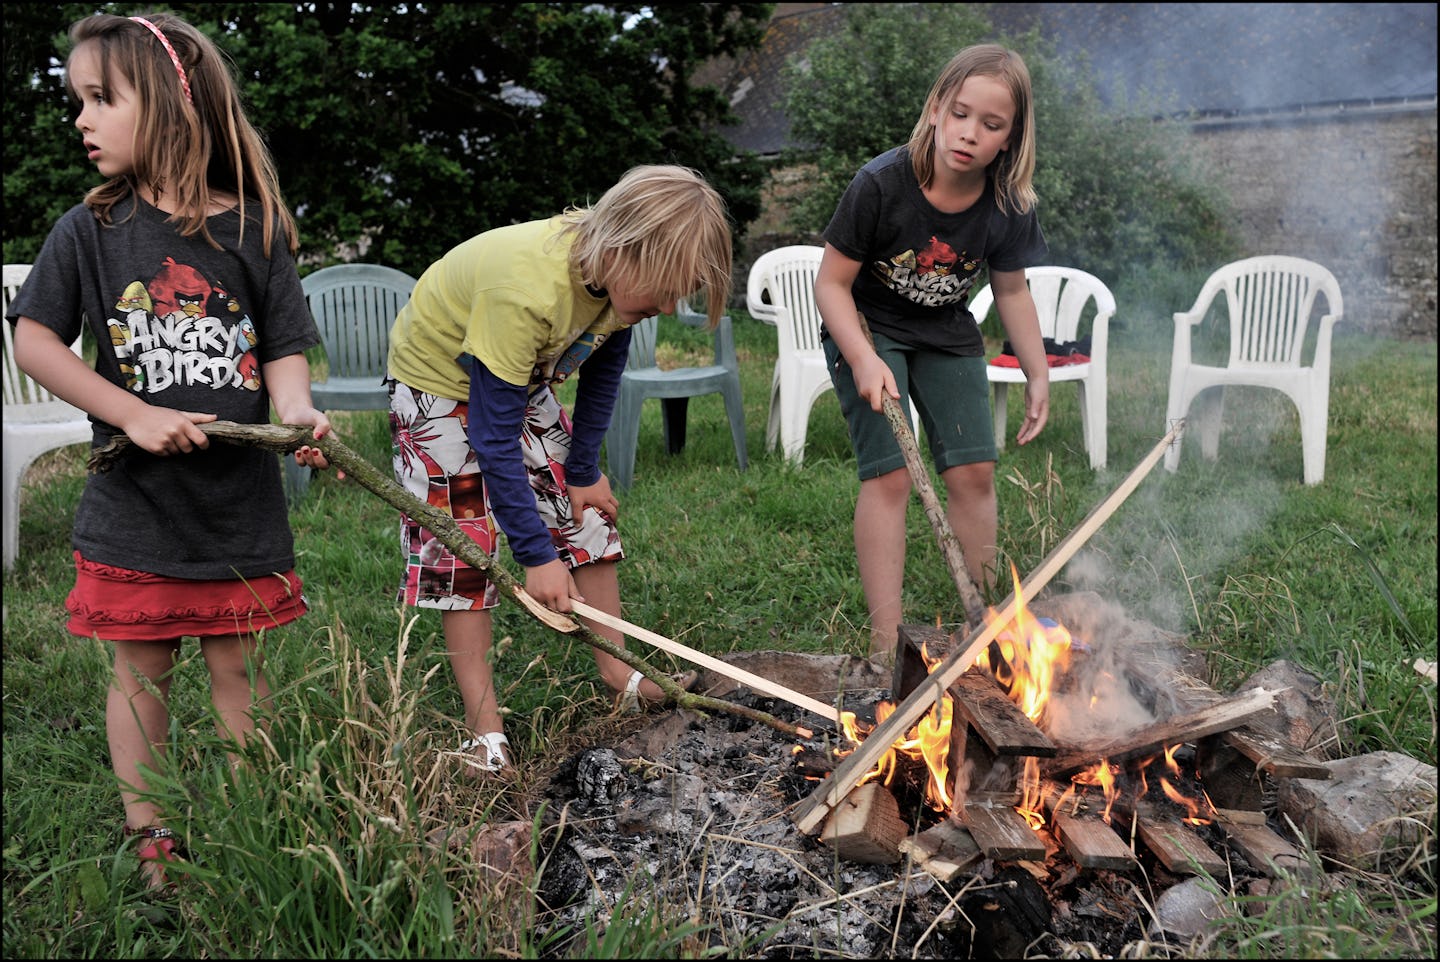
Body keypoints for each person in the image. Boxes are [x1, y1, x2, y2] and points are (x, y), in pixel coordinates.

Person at [6, 11, 334, 891]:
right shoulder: (89, 231)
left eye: (100, 99)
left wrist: (298, 413)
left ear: (167, 104)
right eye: (77, 100)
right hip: (138, 504)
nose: (80, 119)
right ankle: (153, 835)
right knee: (141, 669)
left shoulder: (254, 231)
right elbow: (36, 342)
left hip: (238, 503)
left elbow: (282, 350)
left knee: (239, 666)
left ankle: (246, 823)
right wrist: (132, 412)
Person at [386, 164, 730, 777]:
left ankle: (619, 676)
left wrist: (582, 467)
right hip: (437, 389)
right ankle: (484, 731)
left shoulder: (617, 285)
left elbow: (602, 372)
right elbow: (492, 439)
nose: (669, 305)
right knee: (466, 550)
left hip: (517, 378)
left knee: (587, 516)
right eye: (666, 288)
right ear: (623, 249)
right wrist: (537, 555)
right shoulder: (526, 290)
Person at [814, 43, 1052, 661]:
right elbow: (831, 285)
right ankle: (884, 644)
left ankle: (984, 629)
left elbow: (1012, 291)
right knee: (891, 473)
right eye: (962, 114)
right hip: (869, 327)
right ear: (938, 109)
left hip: (946, 330)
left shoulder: (1007, 204)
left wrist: (1036, 370)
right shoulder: (880, 183)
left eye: (992, 125)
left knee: (973, 471)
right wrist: (865, 359)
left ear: (1011, 138)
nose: (971, 134)